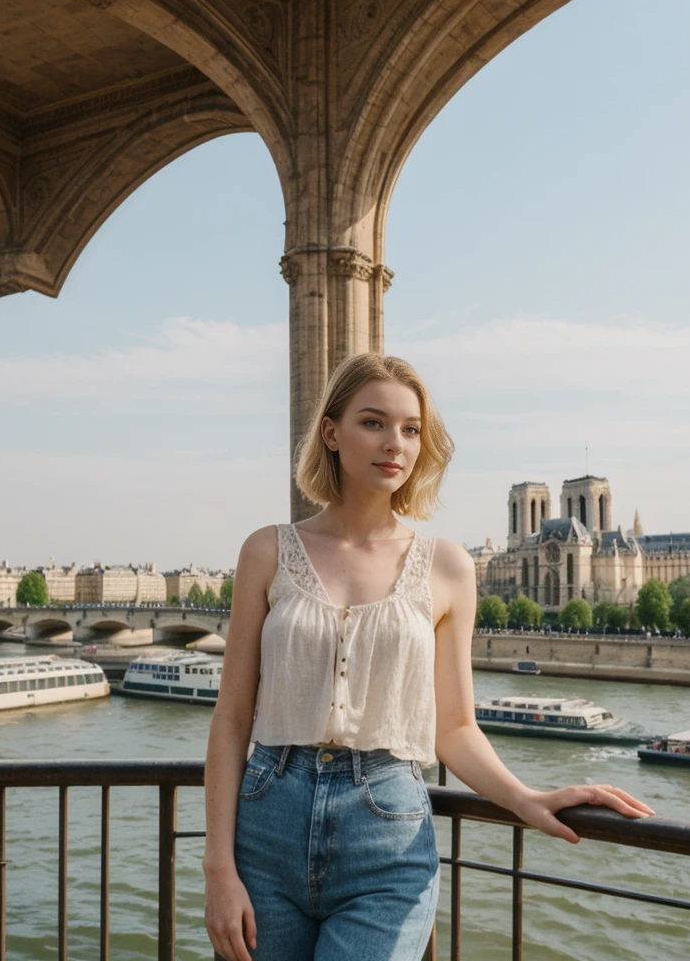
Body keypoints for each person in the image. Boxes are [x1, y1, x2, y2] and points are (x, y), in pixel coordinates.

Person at [202, 353, 653, 961]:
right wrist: (218, 871)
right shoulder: (266, 551)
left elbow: (455, 726)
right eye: (374, 423)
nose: (396, 443)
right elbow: (231, 720)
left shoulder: (446, 566)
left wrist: (527, 797)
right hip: (267, 824)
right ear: (331, 433)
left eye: (411, 429)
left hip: (386, 833)